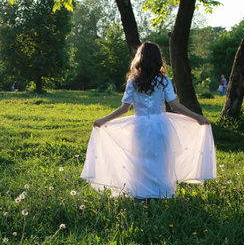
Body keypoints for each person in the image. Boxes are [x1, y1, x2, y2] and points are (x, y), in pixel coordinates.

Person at [81, 42, 217, 201]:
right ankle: (161, 194)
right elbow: (174, 105)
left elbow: (124, 108)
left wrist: (103, 120)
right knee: (160, 160)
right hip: (160, 125)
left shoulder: (133, 81)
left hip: (140, 126)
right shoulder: (164, 80)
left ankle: (141, 194)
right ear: (158, 59)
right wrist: (198, 117)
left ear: (140, 59)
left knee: (140, 160)